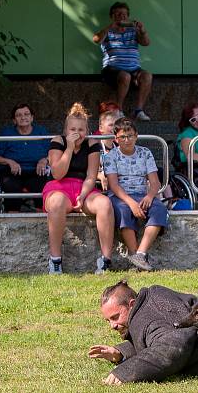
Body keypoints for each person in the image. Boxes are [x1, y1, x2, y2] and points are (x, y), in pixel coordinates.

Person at [43, 103, 114, 275]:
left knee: (105, 204)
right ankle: (55, 260)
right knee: (57, 202)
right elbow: (57, 173)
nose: (77, 133)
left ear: (87, 130)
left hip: (84, 187)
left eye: (81, 129)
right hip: (59, 187)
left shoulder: (92, 144)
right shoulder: (57, 142)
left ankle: (105, 260)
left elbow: (91, 176)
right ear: (66, 130)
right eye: (73, 129)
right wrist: (69, 147)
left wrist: (82, 195)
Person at [102, 117, 168, 272]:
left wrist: (150, 196)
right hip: (120, 196)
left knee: (159, 209)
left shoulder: (145, 153)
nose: (127, 140)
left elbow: (155, 182)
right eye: (122, 137)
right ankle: (134, 253)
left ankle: (140, 254)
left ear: (136, 135)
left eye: (130, 135)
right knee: (123, 210)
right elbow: (113, 185)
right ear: (116, 139)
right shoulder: (110, 156)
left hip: (142, 194)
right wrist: (131, 203)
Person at [92, 2, 153, 121]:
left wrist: (142, 30)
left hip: (134, 69)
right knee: (125, 76)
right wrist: (111, 27)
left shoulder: (133, 31)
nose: (122, 17)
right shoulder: (107, 31)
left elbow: (146, 43)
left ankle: (139, 111)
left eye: (125, 14)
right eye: (118, 14)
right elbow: (96, 39)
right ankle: (118, 110)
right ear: (112, 16)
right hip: (112, 70)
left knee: (147, 76)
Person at [0, 103, 51, 212]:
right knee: (11, 186)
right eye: (19, 115)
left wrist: (45, 160)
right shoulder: (7, 133)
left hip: (36, 171)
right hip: (12, 172)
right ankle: (13, 218)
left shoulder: (41, 132)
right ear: (14, 120)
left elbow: (54, 152)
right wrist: (8, 161)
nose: (23, 117)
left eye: (26, 114)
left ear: (32, 117)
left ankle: (42, 217)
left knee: (43, 186)